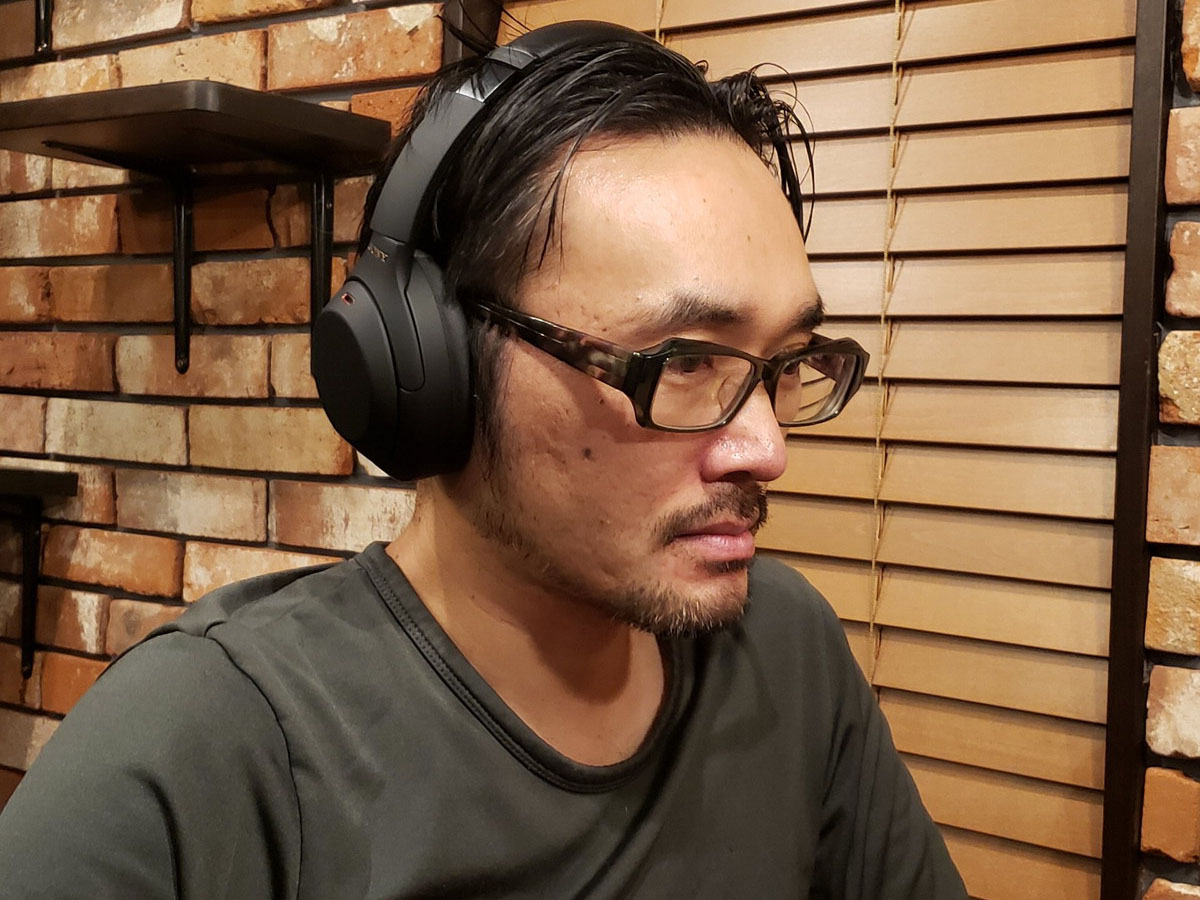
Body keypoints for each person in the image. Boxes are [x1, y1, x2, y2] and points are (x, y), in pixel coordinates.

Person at [0, 20, 967, 900]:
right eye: (683, 363)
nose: (769, 449)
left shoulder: (788, 651)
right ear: (433, 366)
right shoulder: (202, 751)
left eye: (787, 363)